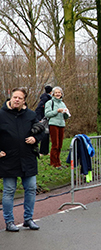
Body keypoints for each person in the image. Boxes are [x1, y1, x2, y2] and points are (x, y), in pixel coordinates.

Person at [0, 87, 44, 232]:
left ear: (24, 100)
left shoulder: (30, 115)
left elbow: (40, 130)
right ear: (10, 98)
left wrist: (35, 138)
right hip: (8, 158)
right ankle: (9, 221)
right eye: (15, 97)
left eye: (20, 98)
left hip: (27, 157)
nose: (17, 100)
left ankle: (28, 219)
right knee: (9, 190)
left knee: (31, 188)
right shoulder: (1, 114)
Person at [44, 87, 70, 169]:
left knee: (60, 145)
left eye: (59, 92)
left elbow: (66, 117)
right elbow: (47, 114)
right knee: (55, 144)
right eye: (56, 92)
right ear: (53, 94)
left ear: (61, 94)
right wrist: (57, 111)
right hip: (53, 124)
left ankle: (58, 162)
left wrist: (66, 113)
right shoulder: (49, 102)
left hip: (61, 124)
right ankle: (53, 163)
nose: (58, 94)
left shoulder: (63, 103)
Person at [34, 85, 52, 156]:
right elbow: (38, 109)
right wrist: (39, 119)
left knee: (46, 135)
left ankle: (45, 151)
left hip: (45, 118)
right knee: (45, 134)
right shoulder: (45, 99)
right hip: (43, 119)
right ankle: (42, 151)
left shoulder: (46, 98)